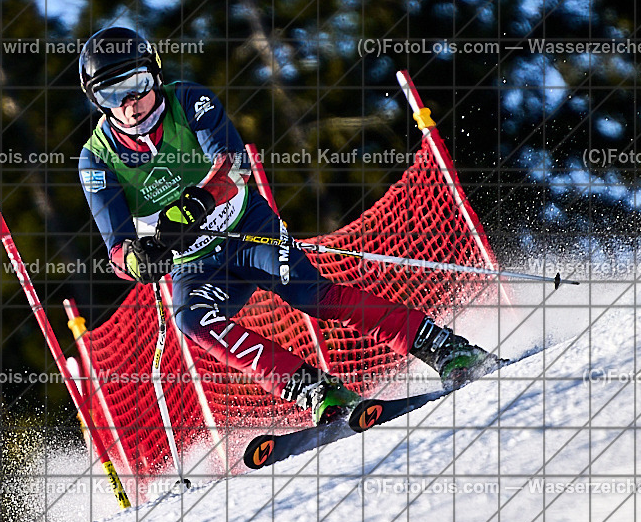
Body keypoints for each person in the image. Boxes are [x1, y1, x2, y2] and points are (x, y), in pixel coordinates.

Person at [77, 26, 492, 426]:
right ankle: (312, 389)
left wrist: (196, 204)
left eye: (137, 81)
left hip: (246, 229)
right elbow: (116, 249)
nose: (131, 102)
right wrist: (138, 261)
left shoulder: (190, 101)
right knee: (192, 319)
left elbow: (234, 169)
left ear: (155, 72)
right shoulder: (96, 159)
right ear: (99, 101)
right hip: (195, 264)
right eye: (113, 93)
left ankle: (442, 346)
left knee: (313, 295)